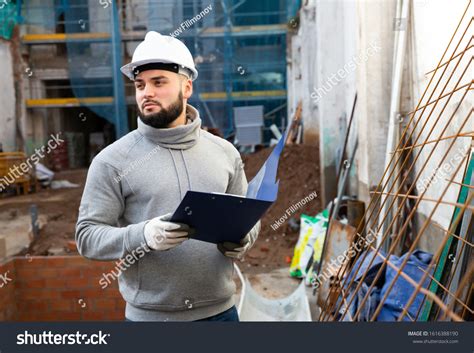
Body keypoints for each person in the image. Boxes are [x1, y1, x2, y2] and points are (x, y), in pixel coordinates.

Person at [75, 32, 260, 322]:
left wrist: (244, 238)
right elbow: (87, 237)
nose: (146, 92)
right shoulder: (112, 161)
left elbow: (249, 218)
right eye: (140, 84)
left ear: (187, 87)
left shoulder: (224, 153)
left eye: (158, 82)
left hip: (221, 314)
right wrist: (143, 235)